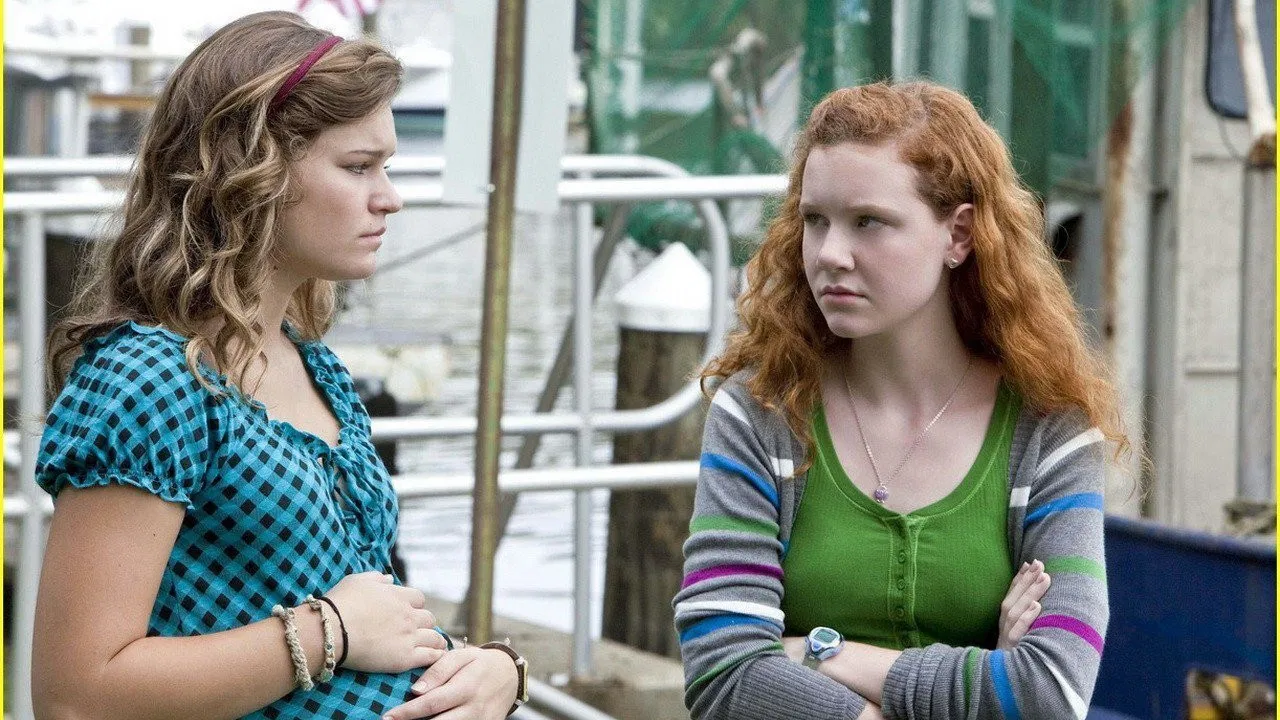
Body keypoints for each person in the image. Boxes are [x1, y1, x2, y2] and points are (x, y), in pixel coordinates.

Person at [31, 12, 526, 720]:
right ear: (252, 174)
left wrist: (495, 671)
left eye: (386, 166)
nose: (389, 197)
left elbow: (375, 613)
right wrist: (330, 631)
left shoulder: (313, 365)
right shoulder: (149, 380)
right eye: (358, 167)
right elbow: (76, 695)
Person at [674, 80, 1124, 720]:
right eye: (815, 220)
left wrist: (818, 653)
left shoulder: (1048, 431)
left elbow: (1051, 690)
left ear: (958, 235)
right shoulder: (760, 412)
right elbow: (722, 676)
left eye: (869, 222)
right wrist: (985, 679)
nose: (831, 254)